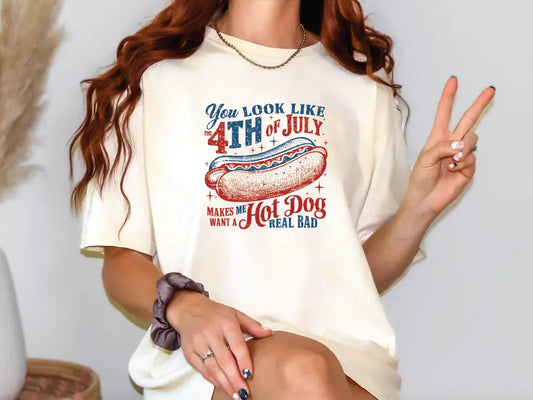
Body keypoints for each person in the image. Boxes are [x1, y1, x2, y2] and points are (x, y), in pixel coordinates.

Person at [68, 0, 495, 399]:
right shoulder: (151, 77)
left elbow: (358, 275)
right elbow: (121, 262)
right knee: (305, 369)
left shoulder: (362, 84)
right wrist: (184, 305)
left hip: (349, 361)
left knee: (311, 368)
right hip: (211, 358)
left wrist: (421, 207)